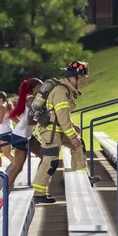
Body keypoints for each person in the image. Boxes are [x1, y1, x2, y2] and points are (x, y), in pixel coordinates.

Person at [32, 62, 91, 205]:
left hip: (56, 129)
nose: (83, 81)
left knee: (78, 145)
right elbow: (63, 119)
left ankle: (82, 177)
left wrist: (73, 128)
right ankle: (38, 193)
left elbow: (62, 116)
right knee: (50, 161)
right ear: (73, 77)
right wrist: (72, 135)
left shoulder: (66, 90)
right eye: (81, 77)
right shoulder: (62, 91)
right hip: (50, 132)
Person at [4, 77, 43, 196]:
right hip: (20, 137)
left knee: (46, 156)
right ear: (34, 88)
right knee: (17, 168)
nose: (42, 89)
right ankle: (1, 195)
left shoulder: (32, 99)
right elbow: (30, 121)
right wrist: (46, 120)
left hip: (27, 136)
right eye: (40, 87)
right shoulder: (31, 100)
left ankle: (40, 184)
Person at [0, 92, 15, 168]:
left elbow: (0, 121)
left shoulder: (1, 107)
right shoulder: (7, 105)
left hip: (5, 133)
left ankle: (19, 167)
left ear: (0, 99)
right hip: (3, 133)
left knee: (7, 154)